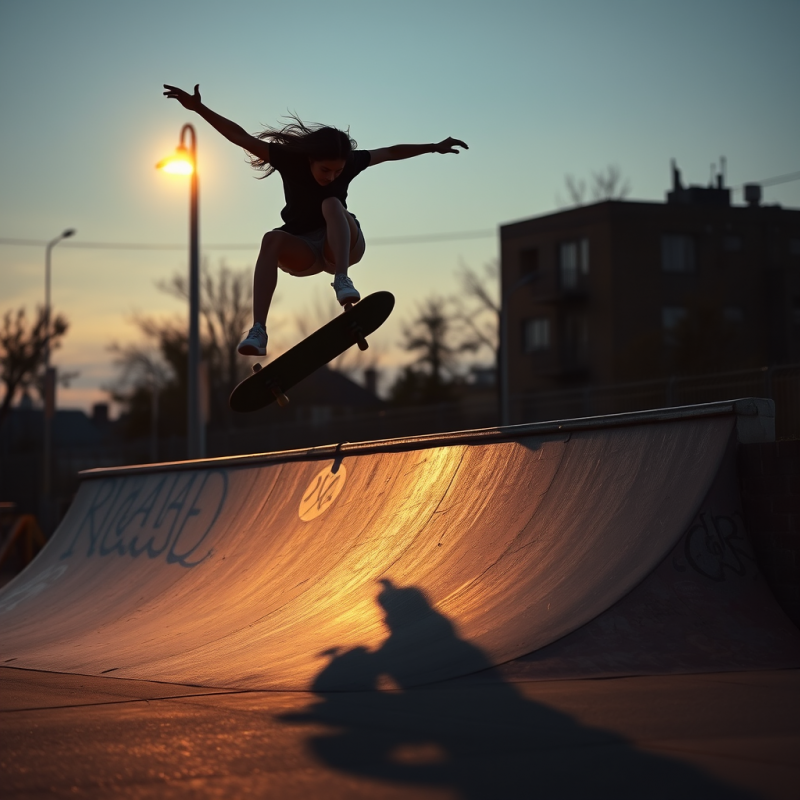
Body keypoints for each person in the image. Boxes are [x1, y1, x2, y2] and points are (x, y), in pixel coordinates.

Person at [163, 84, 468, 357]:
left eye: (337, 172)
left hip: (343, 246)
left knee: (332, 203)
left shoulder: (350, 162)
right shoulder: (288, 159)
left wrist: (433, 147)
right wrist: (199, 108)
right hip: (305, 251)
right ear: (310, 159)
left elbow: (389, 152)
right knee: (271, 238)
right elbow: (240, 137)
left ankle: (343, 280)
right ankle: (258, 331)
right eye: (325, 171)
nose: (332, 176)